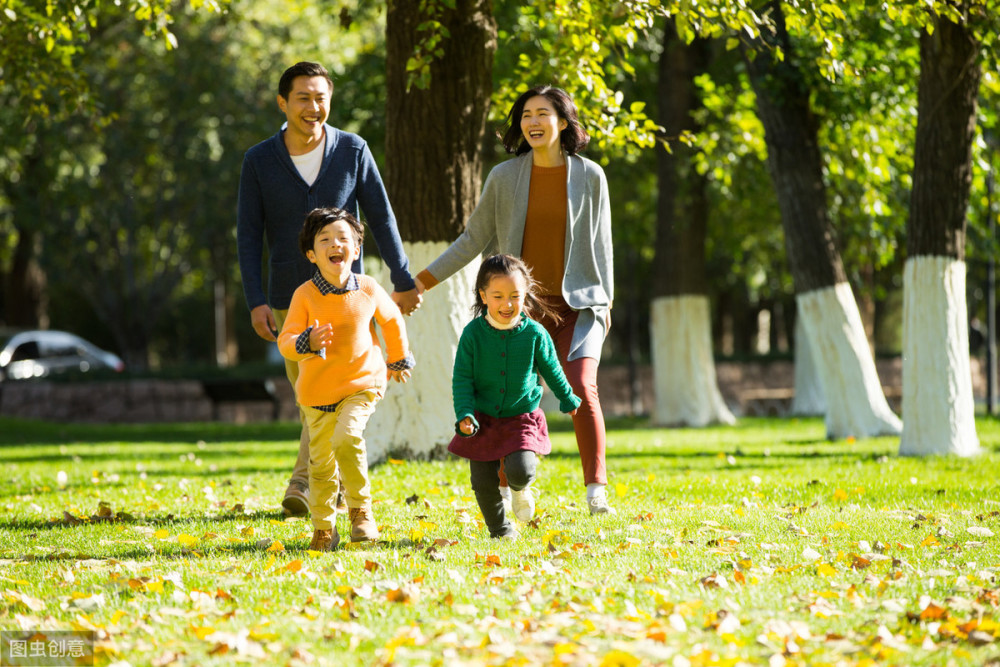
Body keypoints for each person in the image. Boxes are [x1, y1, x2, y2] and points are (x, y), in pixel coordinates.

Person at [415, 85, 616, 515]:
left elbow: (603, 248)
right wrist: (421, 282)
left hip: (578, 308)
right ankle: (508, 486)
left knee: (582, 386)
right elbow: (473, 240)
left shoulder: (590, 175)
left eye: (543, 113)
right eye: (526, 115)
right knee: (505, 394)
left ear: (563, 121)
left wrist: (606, 305)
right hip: (519, 312)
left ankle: (596, 488)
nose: (533, 122)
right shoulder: (505, 178)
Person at [237, 61, 420, 518]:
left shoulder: (353, 149)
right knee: (311, 395)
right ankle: (328, 482)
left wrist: (401, 276)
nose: (313, 107)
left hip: (348, 300)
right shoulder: (258, 160)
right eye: (303, 98)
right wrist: (255, 299)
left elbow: (381, 216)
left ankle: (304, 482)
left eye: (321, 98)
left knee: (333, 395)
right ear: (283, 103)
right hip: (287, 297)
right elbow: (247, 233)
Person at [277, 207, 415, 551]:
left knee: (347, 437)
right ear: (312, 254)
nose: (335, 244)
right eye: (324, 240)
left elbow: (392, 320)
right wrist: (305, 341)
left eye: (343, 238)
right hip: (316, 393)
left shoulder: (368, 288)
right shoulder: (304, 295)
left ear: (356, 249)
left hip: (361, 384)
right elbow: (286, 342)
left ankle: (360, 512)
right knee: (320, 466)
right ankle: (324, 528)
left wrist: (397, 358)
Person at [449, 255, 580, 539]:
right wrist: (465, 415)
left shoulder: (535, 334)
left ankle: (519, 489)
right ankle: (500, 529)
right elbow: (462, 380)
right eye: (498, 296)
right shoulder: (472, 335)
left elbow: (552, 369)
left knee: (520, 470)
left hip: (521, 416)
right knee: (482, 482)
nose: (507, 304)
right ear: (483, 296)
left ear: (526, 295)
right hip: (482, 418)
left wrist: (567, 397)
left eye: (514, 296)